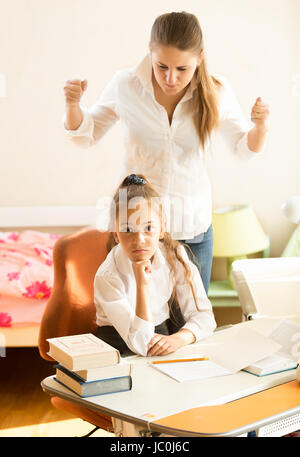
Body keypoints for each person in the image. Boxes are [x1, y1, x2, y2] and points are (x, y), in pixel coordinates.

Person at [63, 11, 270, 293]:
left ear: (199, 57)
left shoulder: (217, 91)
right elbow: (87, 135)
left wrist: (261, 126)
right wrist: (73, 106)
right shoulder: (126, 85)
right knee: (134, 324)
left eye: (182, 69)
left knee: (192, 325)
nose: (170, 78)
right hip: (135, 230)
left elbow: (244, 149)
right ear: (149, 50)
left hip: (192, 230)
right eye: (161, 66)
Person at [94, 173, 217, 357]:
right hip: (118, 348)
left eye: (148, 227)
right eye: (127, 230)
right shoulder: (107, 276)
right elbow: (142, 344)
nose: (139, 239)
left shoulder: (174, 256)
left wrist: (179, 338)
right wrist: (142, 284)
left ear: (162, 228)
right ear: (115, 233)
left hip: (162, 338)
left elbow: (205, 317)